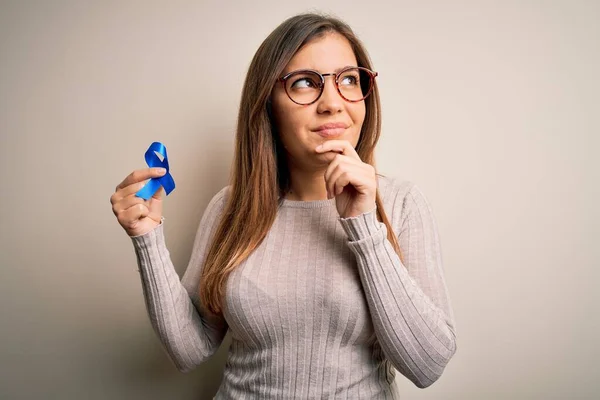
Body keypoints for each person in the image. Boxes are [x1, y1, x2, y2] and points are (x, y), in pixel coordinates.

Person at [110, 12, 458, 399]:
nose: (332, 103)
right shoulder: (230, 208)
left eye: (348, 79)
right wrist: (147, 239)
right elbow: (190, 349)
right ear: (268, 105)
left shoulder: (402, 204)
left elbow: (427, 366)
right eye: (306, 83)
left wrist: (363, 223)